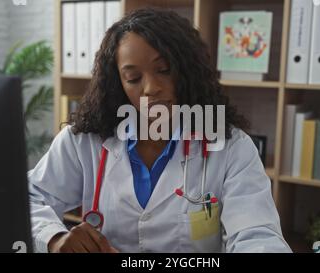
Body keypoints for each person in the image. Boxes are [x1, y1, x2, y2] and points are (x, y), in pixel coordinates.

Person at [28, 8, 292, 253]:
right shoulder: (83, 142)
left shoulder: (231, 147)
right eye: (133, 78)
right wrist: (54, 237)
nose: (150, 88)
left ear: (187, 71)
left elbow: (257, 235)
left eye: (164, 70)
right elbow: (28, 198)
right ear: (118, 82)